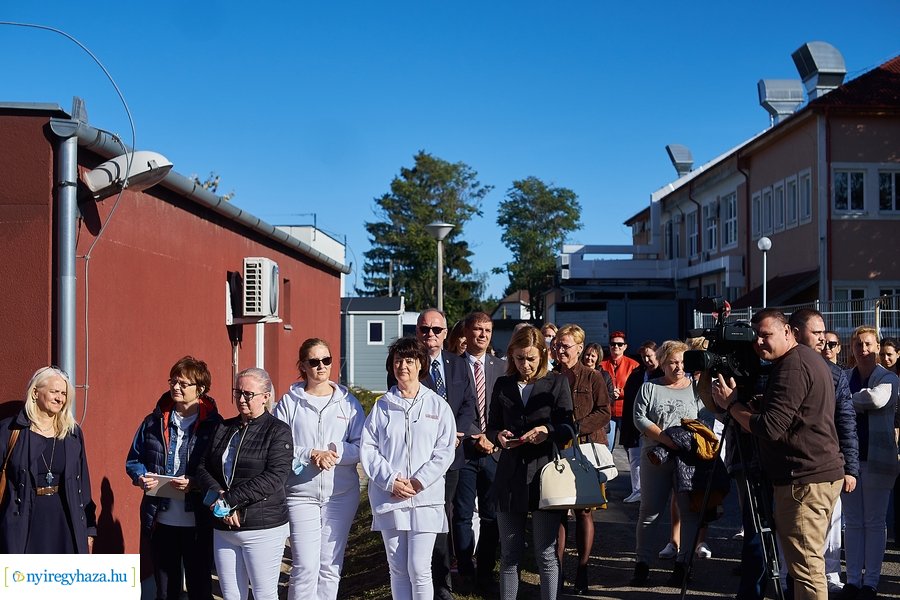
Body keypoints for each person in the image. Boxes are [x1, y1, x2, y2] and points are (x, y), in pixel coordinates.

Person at [712, 309, 844, 600]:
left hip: (803, 480)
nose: (759, 342)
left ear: (789, 332)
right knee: (805, 568)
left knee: (807, 571)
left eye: (766, 335)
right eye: (755, 336)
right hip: (812, 475)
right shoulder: (804, 359)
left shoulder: (793, 366)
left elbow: (770, 427)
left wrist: (733, 405)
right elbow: (789, 415)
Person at [361, 337, 456, 600]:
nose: (403, 365)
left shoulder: (437, 405)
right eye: (398, 360)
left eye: (410, 360)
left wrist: (419, 482)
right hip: (390, 497)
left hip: (425, 499)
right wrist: (390, 481)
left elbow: (445, 450)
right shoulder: (382, 406)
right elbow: (368, 449)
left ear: (421, 364)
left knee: (419, 568)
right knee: (398, 569)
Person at [391, 309, 475, 600]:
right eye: (424, 329)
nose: (431, 335)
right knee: (425, 525)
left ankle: (441, 584)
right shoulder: (405, 365)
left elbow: (468, 405)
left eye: (437, 330)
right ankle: (427, 584)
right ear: (417, 332)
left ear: (446, 332)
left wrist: (455, 434)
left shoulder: (458, 364)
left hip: (452, 455)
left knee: (443, 518)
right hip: (416, 463)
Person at [273, 338, 365, 600]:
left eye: (326, 360)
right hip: (301, 494)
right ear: (303, 365)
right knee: (304, 566)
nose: (321, 366)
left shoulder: (349, 403)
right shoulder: (289, 403)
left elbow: (362, 446)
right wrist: (310, 453)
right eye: (314, 362)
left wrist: (335, 453)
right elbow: (279, 447)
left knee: (330, 566)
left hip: (341, 495)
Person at [487, 325, 574, 600]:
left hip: (543, 474)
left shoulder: (557, 382)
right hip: (510, 475)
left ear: (543, 355)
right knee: (509, 554)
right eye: (519, 358)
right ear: (511, 355)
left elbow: (569, 426)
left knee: (545, 553)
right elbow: (491, 425)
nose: (525, 365)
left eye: (531, 358)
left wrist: (547, 431)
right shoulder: (503, 384)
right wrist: (498, 435)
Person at [126, 356, 223, 600]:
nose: (175, 387)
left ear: (200, 389)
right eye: (173, 381)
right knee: (166, 590)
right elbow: (134, 460)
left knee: (200, 588)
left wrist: (196, 483)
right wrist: (141, 478)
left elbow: (222, 471)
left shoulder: (215, 426)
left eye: (183, 383)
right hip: (160, 519)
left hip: (198, 520)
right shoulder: (153, 422)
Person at [195, 368, 293, 600]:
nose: (241, 399)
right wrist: (219, 496)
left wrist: (229, 501)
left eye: (248, 394)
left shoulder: (278, 431)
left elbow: (275, 477)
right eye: (238, 392)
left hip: (262, 528)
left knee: (263, 594)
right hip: (224, 528)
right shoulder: (223, 428)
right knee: (230, 595)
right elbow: (202, 468)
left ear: (266, 396)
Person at [788, 309, 859, 594]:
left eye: (827, 337)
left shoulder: (835, 374)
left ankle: (829, 576)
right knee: (791, 538)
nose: (823, 341)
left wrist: (851, 468)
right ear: (794, 332)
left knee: (828, 532)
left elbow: (846, 422)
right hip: (787, 469)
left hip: (826, 466)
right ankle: (785, 579)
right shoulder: (780, 368)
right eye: (817, 334)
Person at [630, 340, 705, 587]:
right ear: (662, 363)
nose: (678, 367)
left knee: (689, 511)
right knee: (649, 511)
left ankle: (684, 565)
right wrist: (665, 438)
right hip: (655, 457)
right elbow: (639, 417)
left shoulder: (695, 389)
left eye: (682, 362)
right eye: (673, 362)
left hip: (688, 459)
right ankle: (642, 564)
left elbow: (707, 415)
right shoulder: (650, 388)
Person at [0, 366, 96, 553]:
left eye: (64, 393)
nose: (60, 398)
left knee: (63, 580)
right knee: (25, 580)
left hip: (66, 522)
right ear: (35, 392)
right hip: (22, 524)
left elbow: (83, 483)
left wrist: (89, 529)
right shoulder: (9, 431)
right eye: (54, 392)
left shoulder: (72, 433)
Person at [841, 326, 899, 600]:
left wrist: (845, 402)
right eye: (858, 345)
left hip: (878, 460)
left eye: (868, 344)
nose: (863, 350)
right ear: (852, 349)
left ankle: (871, 583)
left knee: (874, 522)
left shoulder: (888, 377)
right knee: (852, 522)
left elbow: (877, 399)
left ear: (876, 347)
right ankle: (853, 581)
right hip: (849, 460)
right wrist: (853, 401)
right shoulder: (845, 376)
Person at [554, 324, 610, 594]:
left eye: (565, 345)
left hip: (585, 448)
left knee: (584, 510)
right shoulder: (550, 375)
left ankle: (583, 569)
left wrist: (577, 427)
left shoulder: (592, 377)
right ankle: (558, 570)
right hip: (554, 450)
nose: (559, 349)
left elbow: (604, 411)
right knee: (557, 509)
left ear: (579, 347)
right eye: (557, 344)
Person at [452, 312, 505, 594]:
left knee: (491, 516)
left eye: (487, 330)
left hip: (494, 451)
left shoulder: (501, 367)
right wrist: (475, 436)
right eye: (477, 329)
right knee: (461, 514)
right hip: (465, 451)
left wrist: (492, 437)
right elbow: (455, 407)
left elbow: (505, 408)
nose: (482, 335)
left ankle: (485, 572)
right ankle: (465, 569)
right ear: (467, 332)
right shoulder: (453, 366)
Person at [620, 341, 660, 504]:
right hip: (636, 420)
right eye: (644, 357)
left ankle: (653, 490)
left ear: (657, 355)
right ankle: (637, 490)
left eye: (649, 356)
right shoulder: (637, 374)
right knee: (635, 456)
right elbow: (629, 399)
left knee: (653, 458)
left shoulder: (663, 374)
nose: (646, 360)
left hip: (655, 422)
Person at [600, 330, 640, 451]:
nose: (616, 347)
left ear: (625, 347)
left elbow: (636, 387)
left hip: (626, 411)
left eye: (619, 344)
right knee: (606, 447)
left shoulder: (633, 365)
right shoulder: (602, 364)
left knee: (630, 448)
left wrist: (621, 393)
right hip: (608, 411)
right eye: (613, 344)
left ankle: (634, 470)